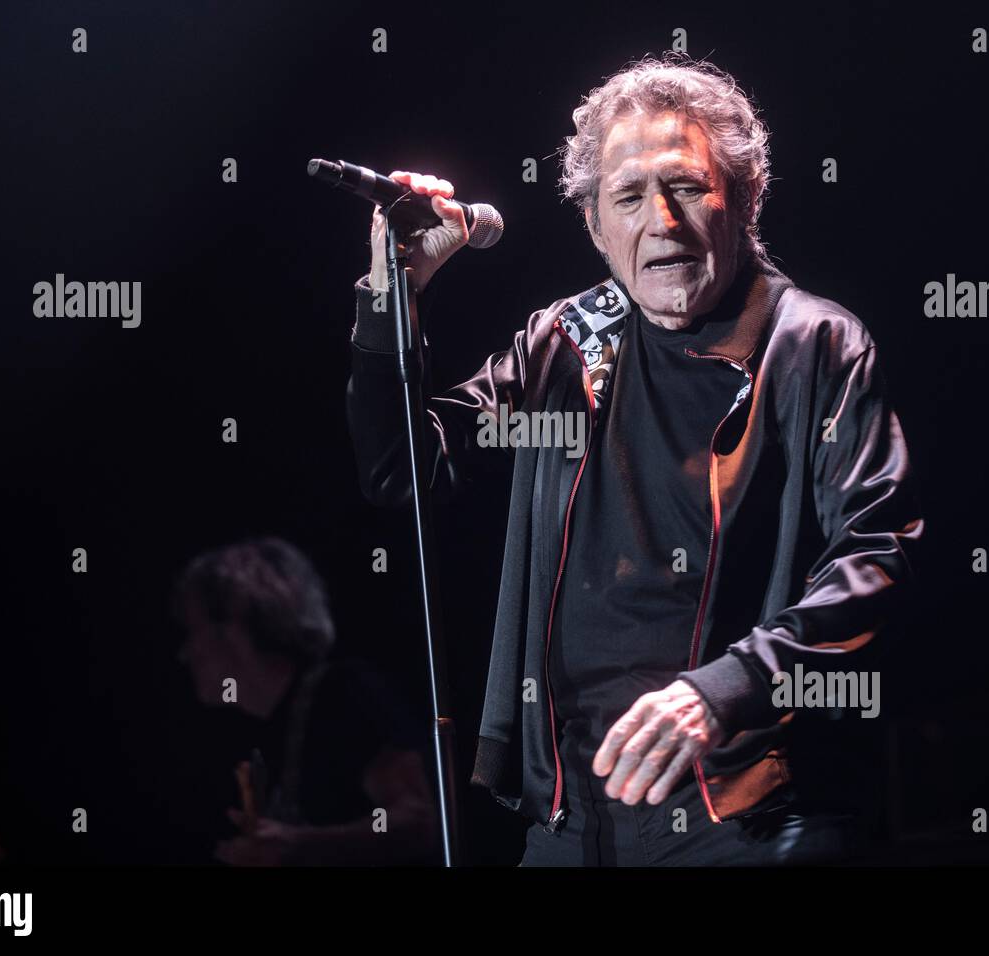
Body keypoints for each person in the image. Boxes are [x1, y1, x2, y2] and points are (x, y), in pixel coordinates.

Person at [345, 53, 925, 865]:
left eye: (686, 187)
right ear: (594, 227)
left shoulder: (812, 346)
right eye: (628, 197)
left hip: (748, 808)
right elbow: (402, 468)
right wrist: (392, 292)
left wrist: (722, 691)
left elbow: (879, 554)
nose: (662, 219)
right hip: (572, 816)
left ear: (745, 198)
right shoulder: (564, 342)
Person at [172, 537, 439, 865]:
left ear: (234, 626)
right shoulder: (265, 727)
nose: (185, 654)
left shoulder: (344, 696)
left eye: (193, 630)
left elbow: (421, 823)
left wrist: (299, 845)